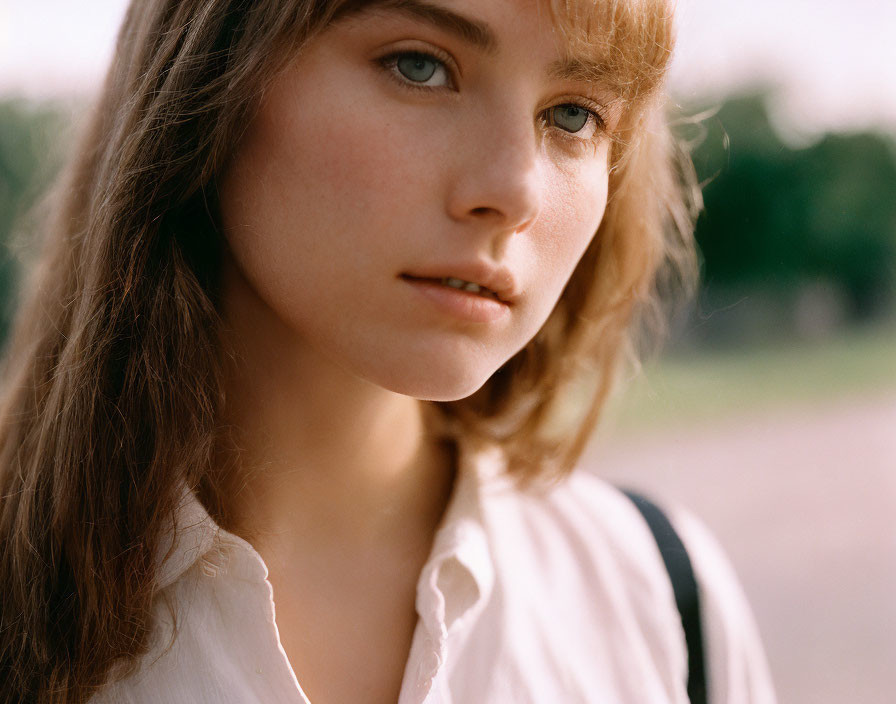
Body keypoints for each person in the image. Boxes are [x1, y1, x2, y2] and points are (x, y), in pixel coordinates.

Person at [0, 0, 776, 702]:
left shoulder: (664, 598)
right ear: (210, 73)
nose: (513, 190)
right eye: (420, 66)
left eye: (573, 116)